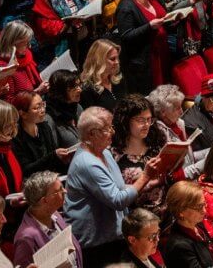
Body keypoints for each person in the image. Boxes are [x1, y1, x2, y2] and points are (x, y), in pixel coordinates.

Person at [66, 106, 161, 268]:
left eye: (111, 126)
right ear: (91, 134)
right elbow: (117, 200)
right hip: (96, 245)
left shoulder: (105, 153)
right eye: (106, 129)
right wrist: (145, 176)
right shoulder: (87, 163)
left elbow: (118, 188)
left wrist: (149, 183)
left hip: (112, 237)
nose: (112, 132)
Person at [13, 171, 79, 268]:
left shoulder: (55, 214)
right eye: (59, 189)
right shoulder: (25, 238)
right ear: (44, 200)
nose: (65, 191)